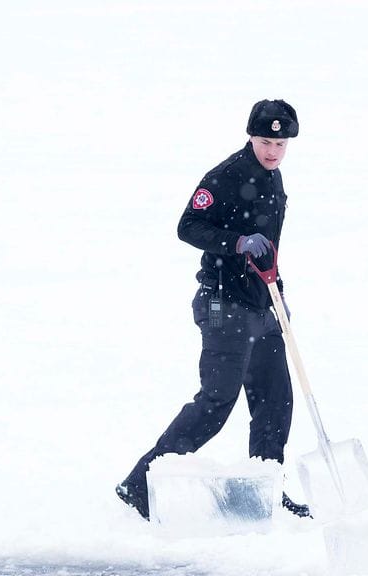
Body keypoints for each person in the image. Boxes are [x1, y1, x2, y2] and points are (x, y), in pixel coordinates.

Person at [116, 99, 310, 519]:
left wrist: (277, 290)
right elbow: (188, 225)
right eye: (265, 141)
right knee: (217, 401)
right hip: (224, 304)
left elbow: (269, 248)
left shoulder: (274, 177)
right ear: (250, 137)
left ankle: (265, 490)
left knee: (275, 401)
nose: (273, 151)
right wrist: (237, 243)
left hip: (263, 304)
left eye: (280, 143)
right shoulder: (226, 176)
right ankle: (140, 485)